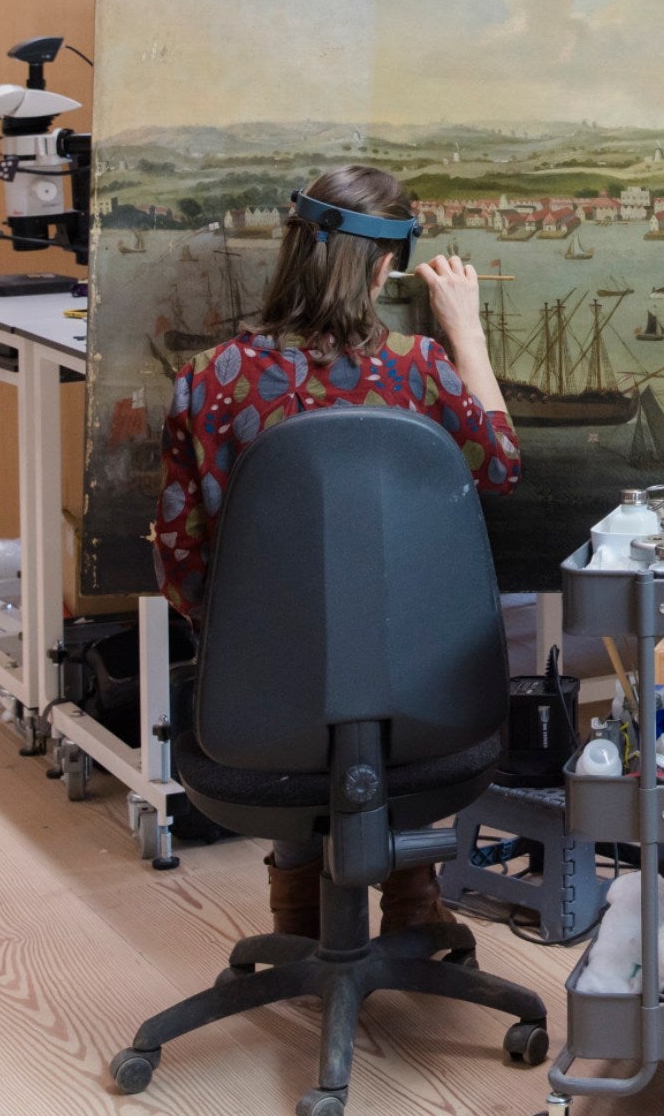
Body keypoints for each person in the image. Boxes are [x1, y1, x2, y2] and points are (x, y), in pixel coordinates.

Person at [154, 164, 517, 940]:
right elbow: (502, 465)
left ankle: (295, 904)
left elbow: (182, 569)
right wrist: (468, 331)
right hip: (429, 710)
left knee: (302, 662)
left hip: (257, 712)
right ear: (387, 266)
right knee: (386, 640)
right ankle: (414, 903)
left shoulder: (206, 382)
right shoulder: (421, 372)